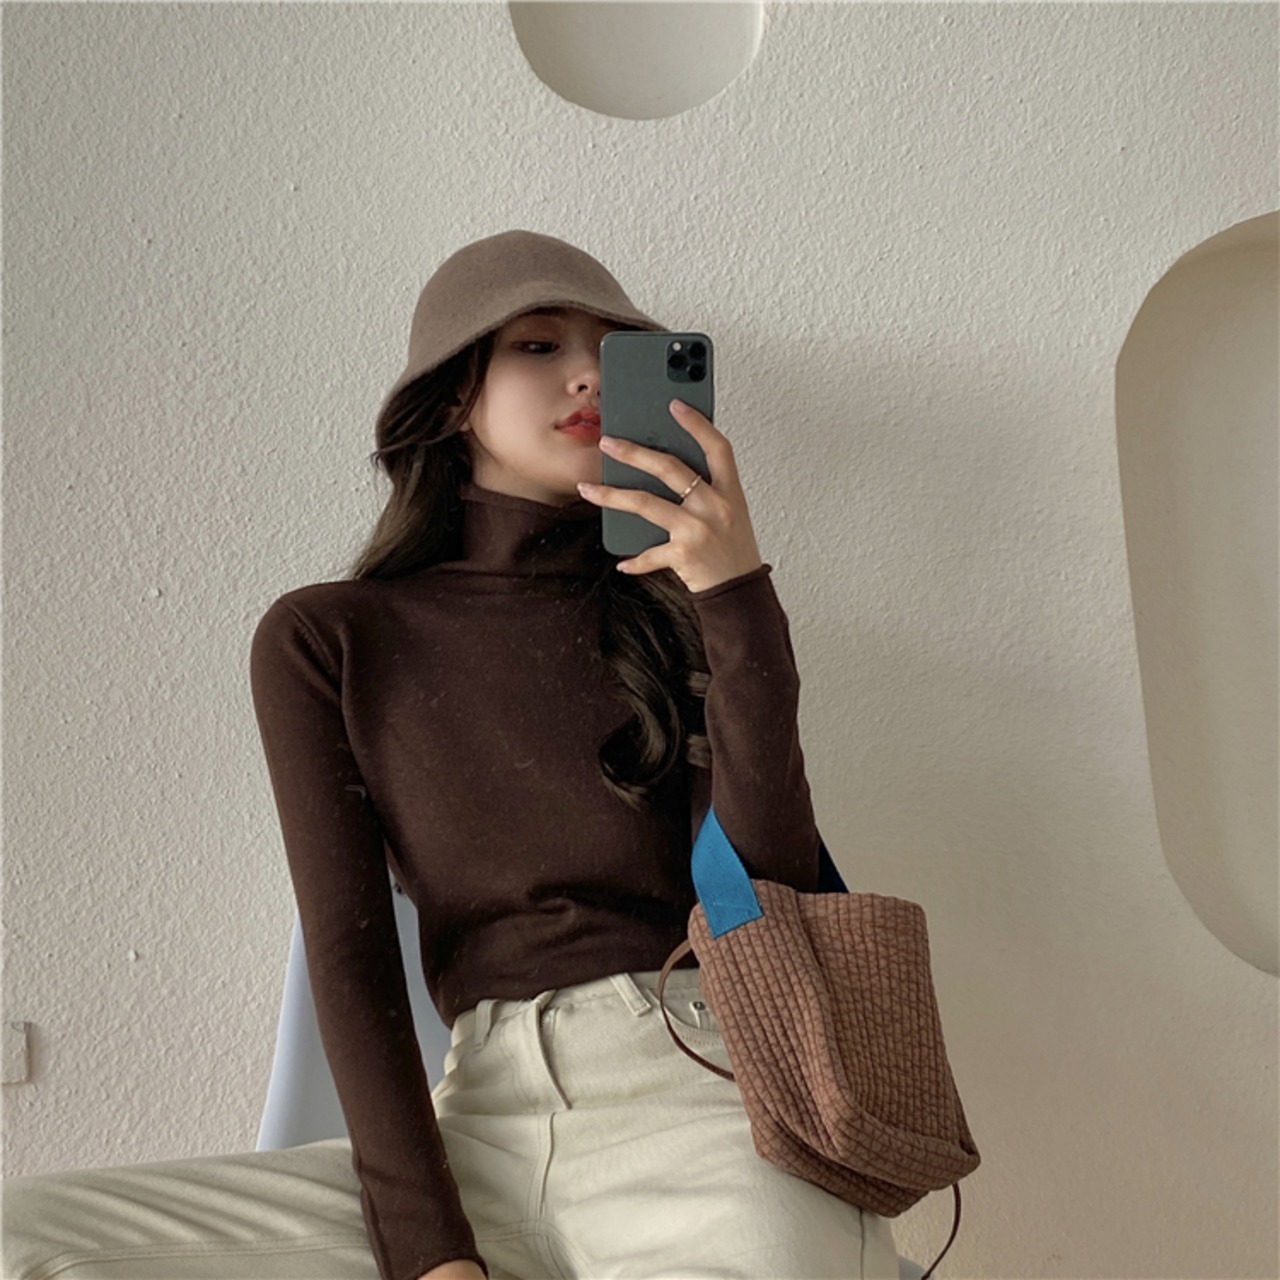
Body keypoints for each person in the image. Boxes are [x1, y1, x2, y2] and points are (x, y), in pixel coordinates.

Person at [2, 230, 902, 1280]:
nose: (585, 373)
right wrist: (432, 1253)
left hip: (699, 1097)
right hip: (473, 1130)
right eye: (538, 344)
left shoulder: (679, 618)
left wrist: (734, 596)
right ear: (452, 398)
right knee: (28, 1238)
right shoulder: (330, 638)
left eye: (611, 351)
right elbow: (352, 959)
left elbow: (771, 891)